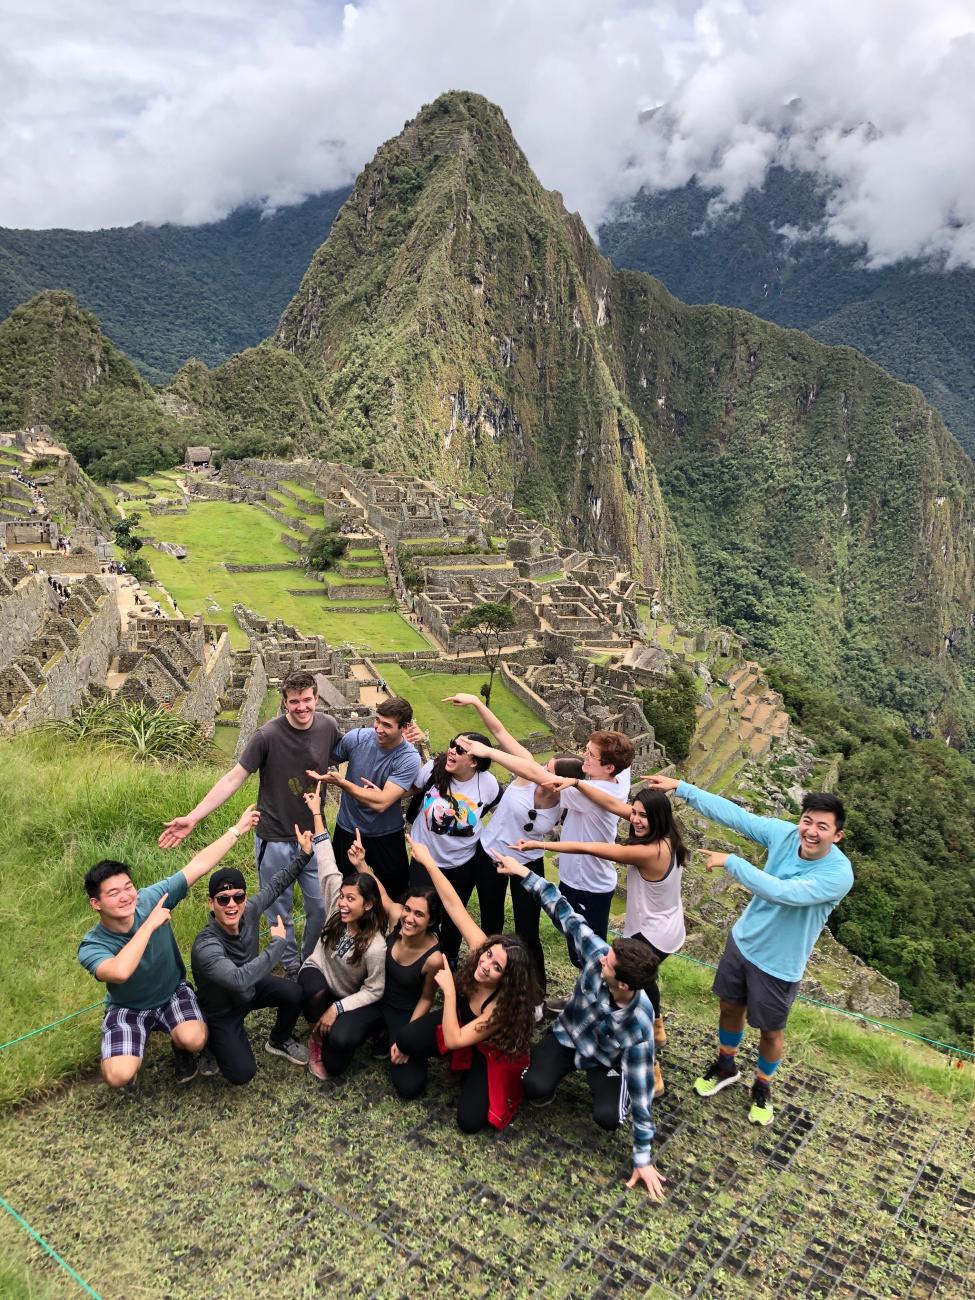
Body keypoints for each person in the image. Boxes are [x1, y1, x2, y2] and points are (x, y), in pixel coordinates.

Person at [649, 775, 853, 1127]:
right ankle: (726, 1065)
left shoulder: (837, 873)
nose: (811, 831)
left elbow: (782, 892)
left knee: (770, 1031)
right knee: (730, 1007)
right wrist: (683, 788)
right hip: (743, 943)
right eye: (807, 821)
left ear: (837, 835)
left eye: (823, 826)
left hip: (779, 964)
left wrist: (732, 862)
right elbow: (737, 817)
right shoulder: (785, 835)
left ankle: (762, 1085)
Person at [495, 853, 665, 1200]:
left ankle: (607, 1091)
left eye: (610, 962)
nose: (603, 958)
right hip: (569, 1037)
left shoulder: (639, 1022)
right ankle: (554, 1076)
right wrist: (523, 873)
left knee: (608, 1119)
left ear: (625, 986)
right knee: (534, 1086)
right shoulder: (598, 953)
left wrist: (643, 1157)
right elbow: (565, 913)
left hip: (607, 1059)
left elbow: (643, 1088)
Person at [159, 670, 341, 974]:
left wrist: (401, 739)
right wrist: (193, 817)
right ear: (284, 702)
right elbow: (233, 778)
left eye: (307, 700)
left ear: (316, 697)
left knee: (322, 908)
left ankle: (310, 962)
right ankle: (289, 967)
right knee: (278, 912)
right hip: (275, 839)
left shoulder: (328, 726)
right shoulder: (267, 736)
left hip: (315, 836)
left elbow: (353, 749)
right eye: (294, 701)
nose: (302, 707)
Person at [518, 780, 688, 1095]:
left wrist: (541, 846)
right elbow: (611, 805)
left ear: (657, 818)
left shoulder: (648, 850)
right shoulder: (666, 834)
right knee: (643, 982)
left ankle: (651, 1065)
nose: (635, 819)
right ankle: (658, 1025)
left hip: (654, 933)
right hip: (668, 925)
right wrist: (579, 783)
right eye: (634, 813)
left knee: (628, 989)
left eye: (642, 816)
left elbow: (590, 847)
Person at [78, 805, 260, 1089]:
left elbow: (197, 866)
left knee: (195, 1038)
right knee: (118, 1076)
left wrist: (237, 829)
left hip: (172, 992)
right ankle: (129, 1046)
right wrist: (149, 925)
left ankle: (182, 1049)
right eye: (114, 893)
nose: (126, 897)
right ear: (96, 903)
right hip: (128, 1007)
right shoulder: (92, 944)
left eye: (128, 887)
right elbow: (119, 972)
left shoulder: (150, 898)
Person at [393, 839, 539, 1132]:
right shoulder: (484, 948)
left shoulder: (502, 1005)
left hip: (488, 1049)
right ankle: (455, 1063)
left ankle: (474, 1069)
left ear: (506, 979)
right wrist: (427, 860)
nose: (485, 965)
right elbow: (453, 905)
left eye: (496, 967)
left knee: (469, 1121)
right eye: (488, 956)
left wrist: (448, 992)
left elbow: (457, 1038)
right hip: (458, 1025)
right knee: (407, 1039)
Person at [442, 692, 580, 997]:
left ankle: (535, 993)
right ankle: (486, 983)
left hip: (526, 864)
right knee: (492, 923)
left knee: (527, 931)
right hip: (489, 856)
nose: (543, 768)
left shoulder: (567, 803)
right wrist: (477, 703)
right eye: (546, 763)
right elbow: (500, 733)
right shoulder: (525, 774)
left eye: (550, 769)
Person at [460, 730, 634, 963]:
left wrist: (489, 751)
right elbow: (506, 737)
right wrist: (475, 703)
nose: (585, 757)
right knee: (495, 923)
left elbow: (532, 770)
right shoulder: (618, 778)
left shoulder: (577, 795)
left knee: (586, 955)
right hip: (551, 871)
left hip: (588, 882)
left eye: (590, 754)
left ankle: (588, 993)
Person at [190, 819, 316, 1085]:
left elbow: (276, 885)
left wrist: (304, 855)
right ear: (212, 903)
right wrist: (278, 945)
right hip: (223, 1007)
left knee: (294, 991)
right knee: (241, 1073)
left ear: (245, 898)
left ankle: (279, 1040)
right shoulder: (206, 944)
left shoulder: (249, 909)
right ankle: (208, 1041)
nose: (232, 904)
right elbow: (238, 979)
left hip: (250, 990)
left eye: (238, 897)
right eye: (223, 900)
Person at [297, 785, 387, 1086]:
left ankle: (355, 1031)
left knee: (337, 1062)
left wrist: (338, 1009)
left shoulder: (375, 946)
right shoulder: (337, 904)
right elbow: (325, 857)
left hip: (349, 994)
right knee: (309, 988)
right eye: (343, 897)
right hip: (320, 974)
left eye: (352, 899)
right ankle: (316, 1036)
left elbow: (374, 991)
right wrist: (316, 813)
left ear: (369, 904)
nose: (344, 903)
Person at [346, 828, 445, 1098]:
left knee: (410, 1087)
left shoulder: (434, 957)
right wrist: (362, 865)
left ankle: (388, 1036)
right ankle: (376, 1031)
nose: (409, 918)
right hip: (375, 997)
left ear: (432, 922)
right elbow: (383, 895)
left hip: (404, 1012)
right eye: (408, 910)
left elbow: (426, 999)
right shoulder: (396, 918)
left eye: (419, 915)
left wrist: (407, 1039)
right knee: (339, 1045)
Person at [307, 696, 421, 900]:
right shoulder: (358, 737)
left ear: (404, 728)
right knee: (344, 891)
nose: (378, 728)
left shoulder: (409, 757)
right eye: (377, 720)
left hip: (386, 834)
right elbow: (324, 757)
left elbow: (382, 802)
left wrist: (343, 783)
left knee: (395, 892)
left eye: (387, 725)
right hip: (348, 829)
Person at [405, 733, 501, 966]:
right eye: (452, 744)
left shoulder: (487, 784)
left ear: (474, 761)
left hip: (461, 863)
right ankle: (415, 959)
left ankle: (449, 960)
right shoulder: (432, 769)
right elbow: (410, 790)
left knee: (453, 916)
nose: (452, 751)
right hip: (424, 857)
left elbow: (502, 812)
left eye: (460, 750)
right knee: (419, 911)